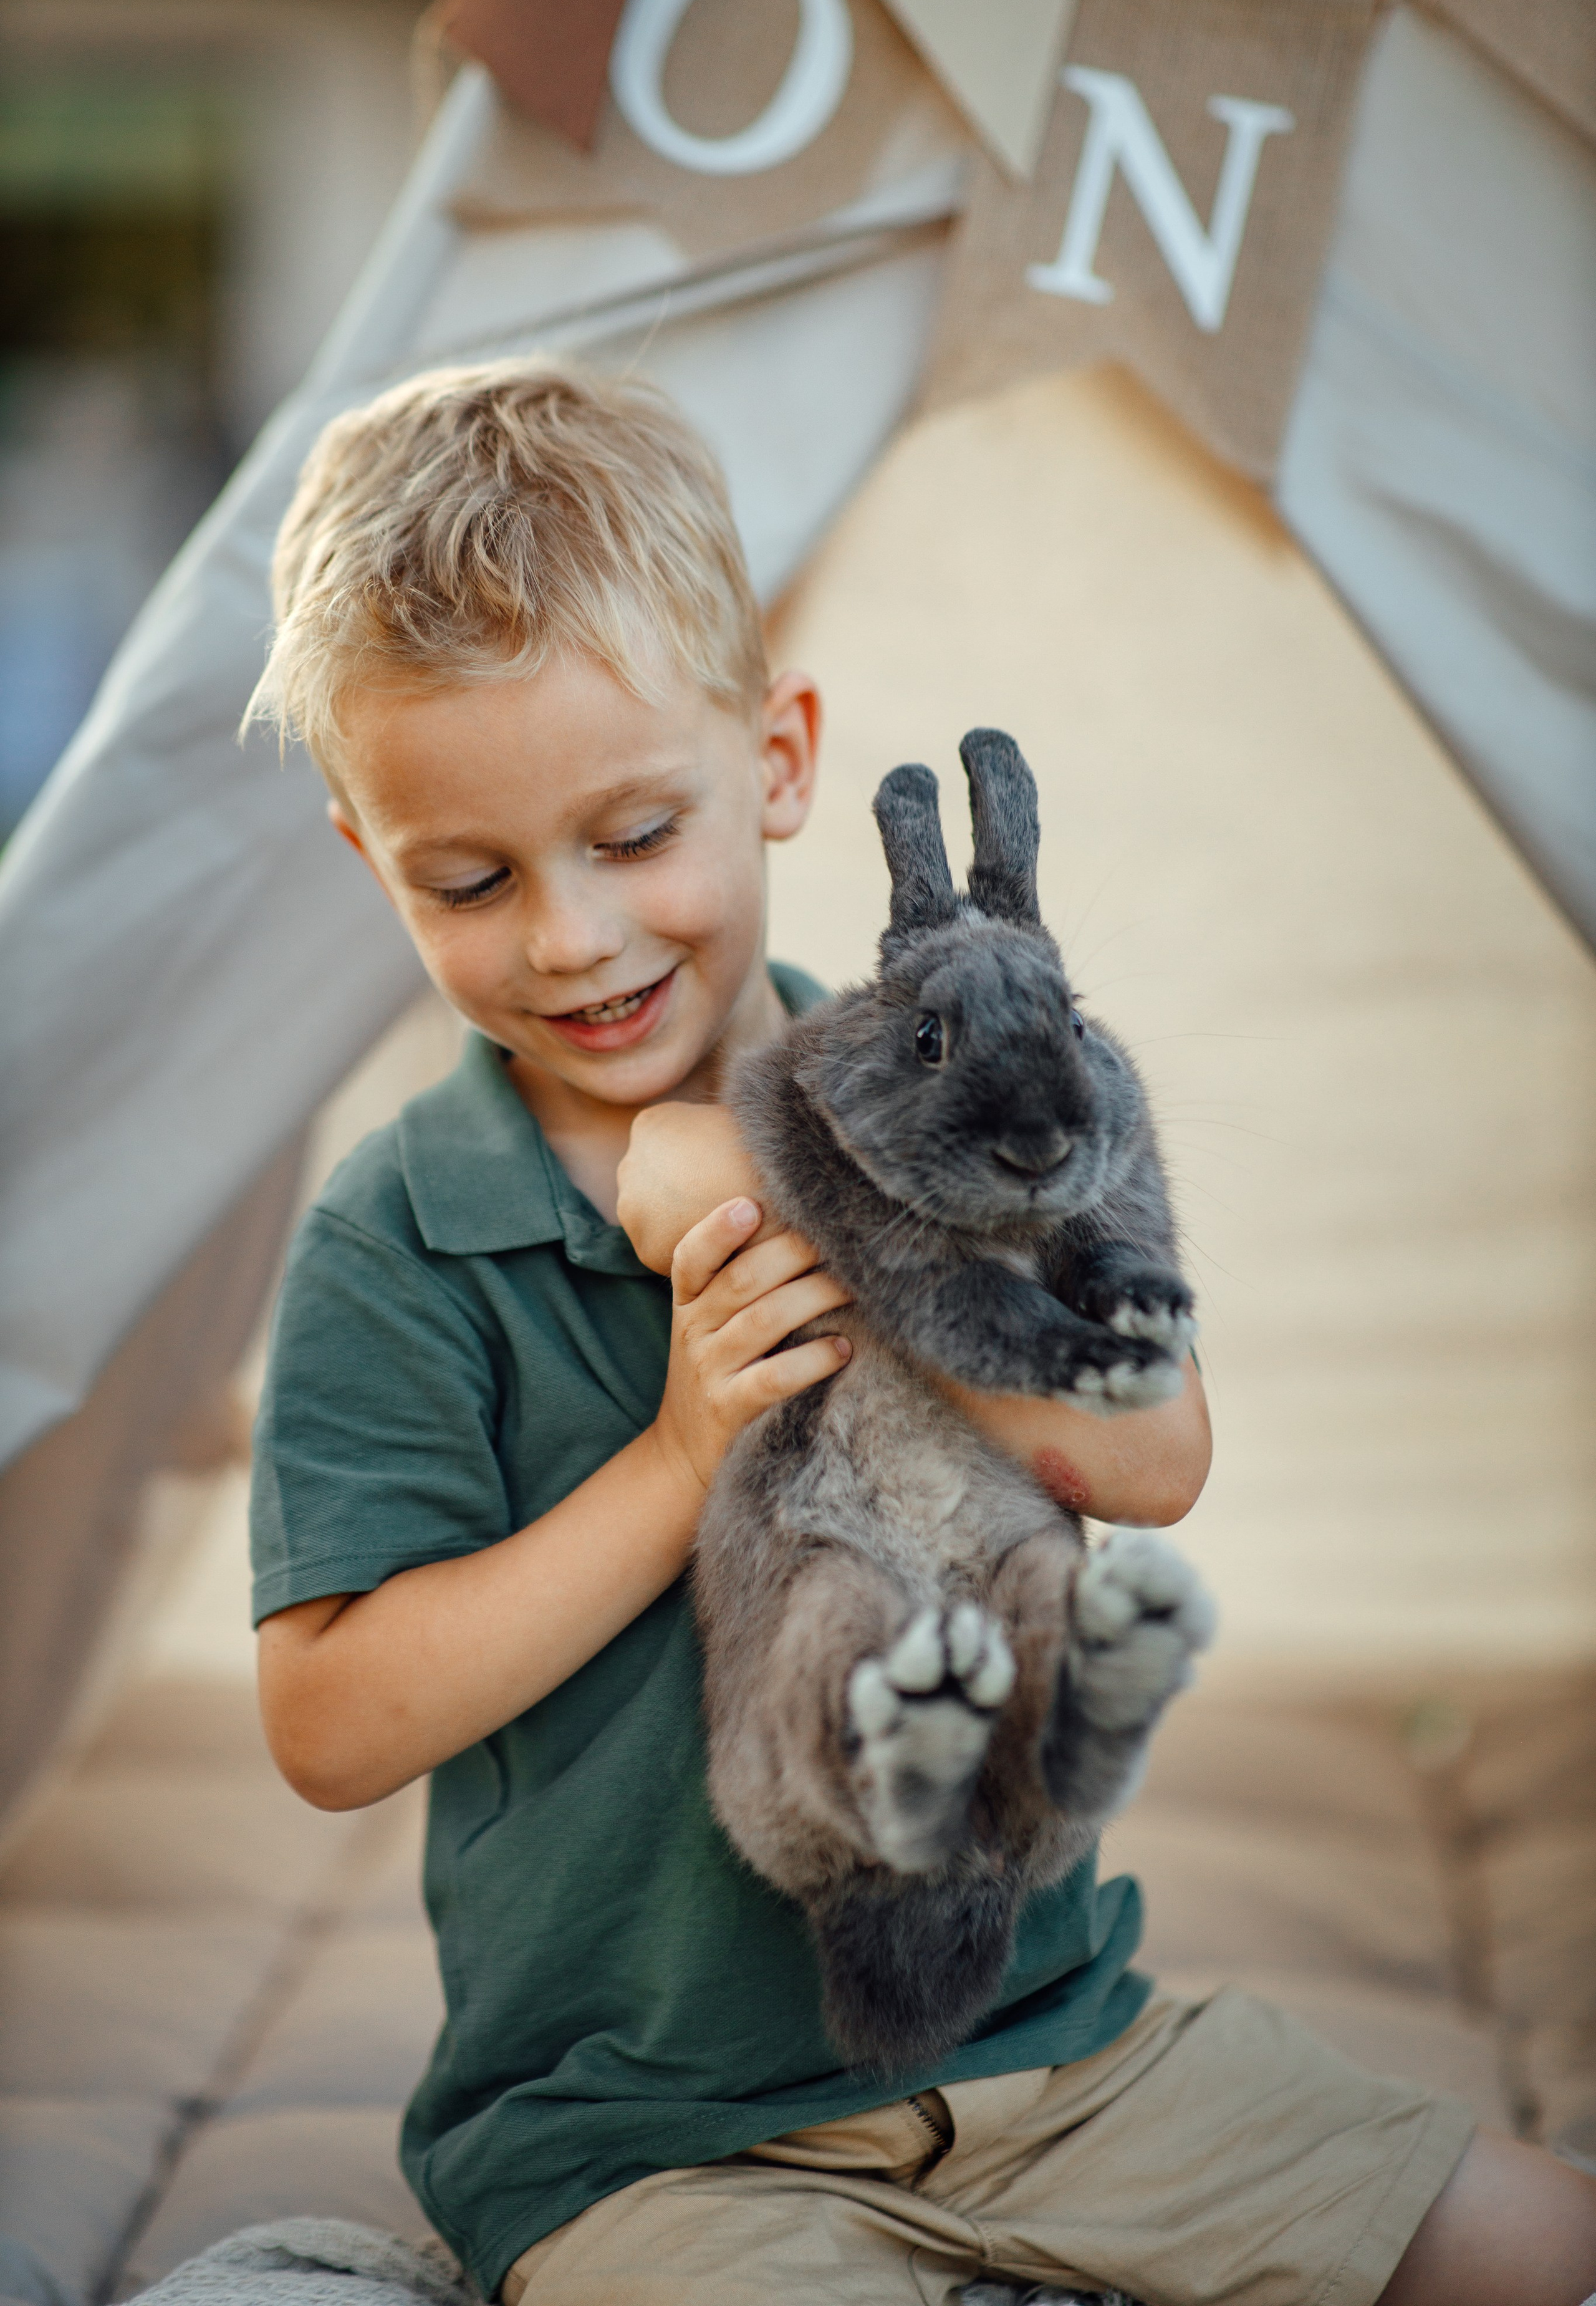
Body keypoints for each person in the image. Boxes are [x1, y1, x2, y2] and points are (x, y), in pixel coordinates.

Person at [247, 359, 1596, 2306]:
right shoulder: (400, 1238)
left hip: (1065, 2056)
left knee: (1536, 2247)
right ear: (374, 859)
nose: (569, 938)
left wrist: (801, 1195)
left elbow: (1153, 1455)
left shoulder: (968, 1084)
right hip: (644, 2147)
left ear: (780, 758)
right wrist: (677, 1465)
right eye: (471, 878)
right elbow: (329, 1722)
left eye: (635, 835)